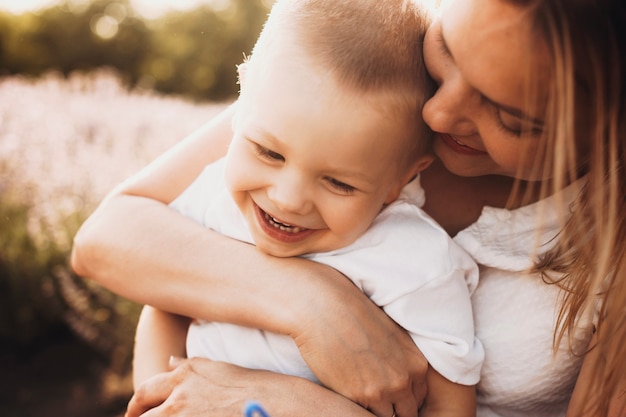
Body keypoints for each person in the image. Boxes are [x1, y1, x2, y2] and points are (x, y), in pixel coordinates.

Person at [70, 0, 626, 415]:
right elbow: (111, 240)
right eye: (448, 52)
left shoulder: (606, 241)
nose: (435, 113)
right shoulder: (368, 80)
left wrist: (303, 406)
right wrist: (313, 304)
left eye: (511, 119)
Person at [132, 1, 481, 416]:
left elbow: (451, 403)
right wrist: (157, 399)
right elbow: (164, 308)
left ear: (401, 180)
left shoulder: (416, 262)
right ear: (239, 107)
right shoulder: (214, 198)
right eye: (268, 152)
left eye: (338, 183)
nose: (286, 198)